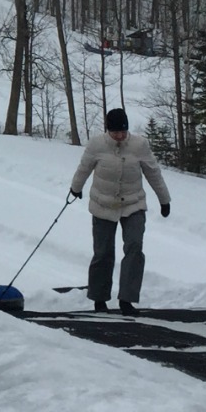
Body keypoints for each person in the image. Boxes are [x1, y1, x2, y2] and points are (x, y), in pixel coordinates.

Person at [68, 107, 171, 314]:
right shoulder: (96, 144)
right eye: (115, 132)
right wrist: (75, 188)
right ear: (108, 130)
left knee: (134, 247)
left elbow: (153, 172)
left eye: (123, 132)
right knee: (103, 252)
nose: (119, 136)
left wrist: (164, 200)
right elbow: (84, 168)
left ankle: (127, 299)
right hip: (103, 204)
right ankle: (99, 299)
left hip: (133, 204)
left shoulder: (139, 145)